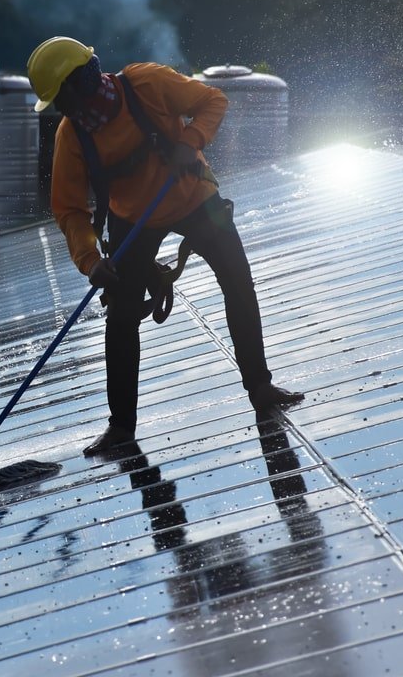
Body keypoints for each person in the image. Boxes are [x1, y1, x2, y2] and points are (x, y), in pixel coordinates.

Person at [26, 36, 304, 456]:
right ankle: (121, 427)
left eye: (62, 99)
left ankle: (260, 388)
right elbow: (69, 210)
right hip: (131, 218)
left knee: (238, 282)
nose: (63, 111)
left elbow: (212, 101)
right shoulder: (73, 135)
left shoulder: (147, 84)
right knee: (121, 317)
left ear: (81, 81)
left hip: (194, 198)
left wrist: (190, 141)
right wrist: (90, 260)